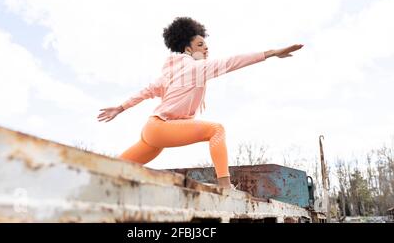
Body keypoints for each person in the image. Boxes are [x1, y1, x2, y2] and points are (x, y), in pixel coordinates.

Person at [98, 17, 303, 189]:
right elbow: (232, 62)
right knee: (216, 130)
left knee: (111, 169)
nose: (206, 49)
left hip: (153, 132)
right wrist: (272, 53)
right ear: (187, 49)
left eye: (206, 45)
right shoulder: (196, 68)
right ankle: (224, 185)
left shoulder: (171, 72)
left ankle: (94, 180)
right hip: (161, 128)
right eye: (200, 45)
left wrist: (121, 107)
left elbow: (146, 92)